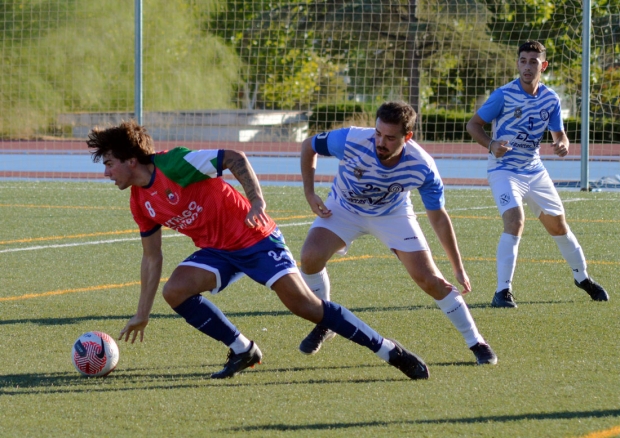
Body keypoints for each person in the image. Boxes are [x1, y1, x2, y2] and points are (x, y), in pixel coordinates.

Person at [86, 119, 430, 380]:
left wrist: (256, 200)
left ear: (131, 161)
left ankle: (389, 350)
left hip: (256, 237)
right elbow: (152, 257)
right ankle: (242, 350)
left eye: (109, 163)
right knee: (175, 291)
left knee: (305, 306)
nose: (106, 172)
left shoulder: (175, 165)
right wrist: (142, 312)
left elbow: (234, 157)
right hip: (217, 250)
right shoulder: (140, 202)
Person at [299, 101, 497, 365]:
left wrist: (457, 266)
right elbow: (308, 146)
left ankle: (477, 342)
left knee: (430, 280)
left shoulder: (422, 166)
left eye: (390, 138)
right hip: (344, 208)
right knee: (310, 257)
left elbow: (438, 217)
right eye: (378, 133)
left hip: (393, 214)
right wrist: (310, 193)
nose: (380, 142)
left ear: (408, 137)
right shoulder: (350, 140)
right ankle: (327, 321)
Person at [466, 40, 609, 308]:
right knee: (515, 220)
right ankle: (502, 292)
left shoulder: (550, 98)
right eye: (523, 60)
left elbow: (560, 135)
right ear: (518, 63)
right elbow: (473, 125)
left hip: (534, 170)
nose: (527, 66)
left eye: (533, 61)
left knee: (558, 226)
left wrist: (563, 144)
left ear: (543, 65)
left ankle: (582, 278)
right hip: (504, 170)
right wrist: (491, 144)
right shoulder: (503, 95)